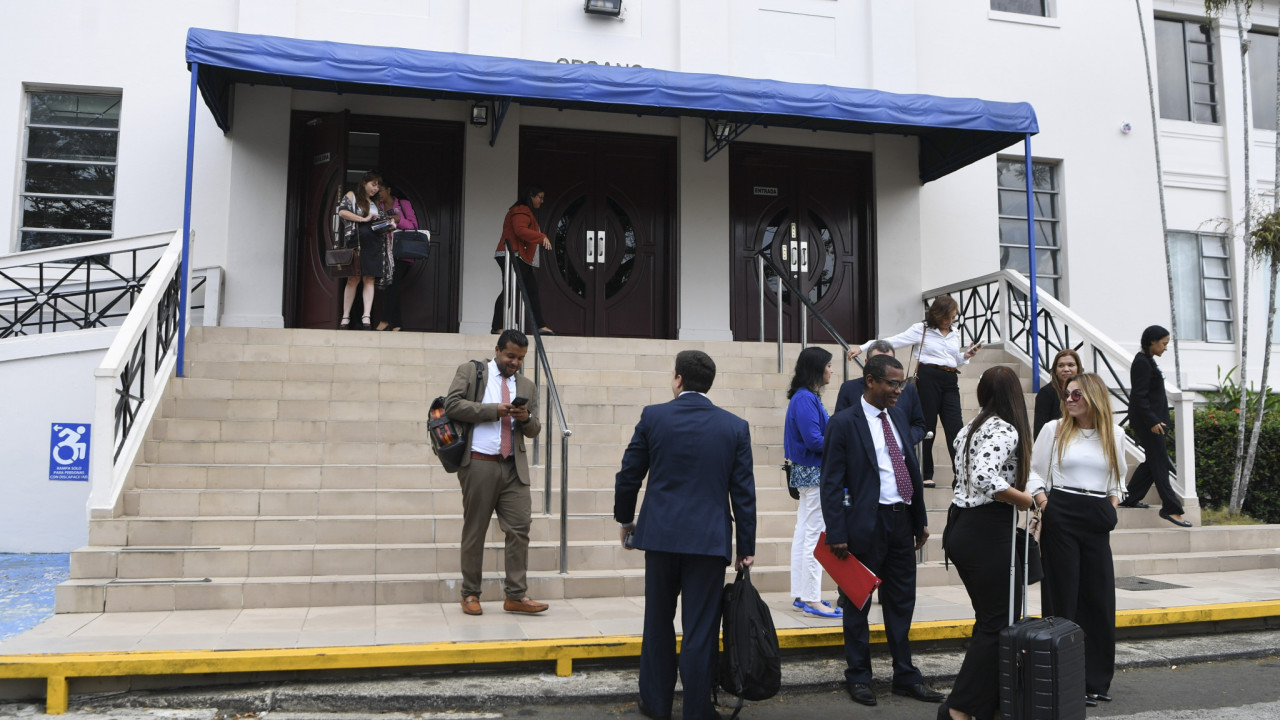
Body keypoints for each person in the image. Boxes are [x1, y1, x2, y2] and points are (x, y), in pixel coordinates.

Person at [614, 349, 756, 720]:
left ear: (678, 379)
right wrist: (746, 547)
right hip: (708, 542)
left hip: (661, 538)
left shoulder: (654, 416)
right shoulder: (734, 426)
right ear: (709, 383)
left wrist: (626, 520)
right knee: (701, 628)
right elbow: (743, 493)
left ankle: (656, 703)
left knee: (658, 623)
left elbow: (628, 475)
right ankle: (697, 709)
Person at [820, 354, 943, 707]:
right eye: (891, 383)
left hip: (901, 522)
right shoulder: (844, 423)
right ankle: (859, 677)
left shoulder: (899, 416)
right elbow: (831, 482)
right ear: (870, 381)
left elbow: (910, 469)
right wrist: (837, 531)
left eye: (900, 384)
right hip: (864, 526)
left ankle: (905, 675)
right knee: (857, 602)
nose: (898, 391)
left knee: (902, 601)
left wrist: (919, 518)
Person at [939, 366, 1036, 720]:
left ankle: (987, 705)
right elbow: (983, 475)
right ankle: (959, 709)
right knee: (998, 623)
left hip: (964, 527)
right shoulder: (1005, 429)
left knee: (993, 621)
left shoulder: (971, 427)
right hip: (986, 530)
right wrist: (1024, 500)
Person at [1029, 372, 1127, 707]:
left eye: (1077, 395)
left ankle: (1095, 680)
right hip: (1062, 510)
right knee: (1063, 597)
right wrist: (1045, 503)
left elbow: (1118, 478)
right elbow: (1033, 471)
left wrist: (1111, 506)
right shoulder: (1054, 429)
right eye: (1067, 394)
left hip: (1097, 512)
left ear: (1094, 398)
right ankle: (1063, 680)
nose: (1069, 400)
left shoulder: (1114, 433)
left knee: (1098, 599)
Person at [444, 329, 549, 616]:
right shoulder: (472, 372)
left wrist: (526, 418)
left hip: (514, 467)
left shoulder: (527, 385)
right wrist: (493, 410)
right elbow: (452, 405)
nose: (515, 363)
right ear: (497, 350)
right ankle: (470, 593)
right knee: (475, 530)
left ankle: (515, 595)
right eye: (510, 356)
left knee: (520, 528)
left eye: (521, 358)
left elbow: (534, 429)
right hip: (479, 463)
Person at [864, 295, 981, 488]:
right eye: (947, 317)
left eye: (953, 317)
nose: (950, 321)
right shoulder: (922, 329)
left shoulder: (955, 332)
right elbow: (894, 341)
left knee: (956, 427)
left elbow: (954, 360)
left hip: (950, 379)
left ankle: (960, 474)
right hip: (928, 377)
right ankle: (926, 473)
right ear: (937, 314)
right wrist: (863, 347)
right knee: (928, 425)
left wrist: (966, 355)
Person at [784, 346, 841, 619]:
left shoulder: (806, 397)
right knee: (814, 535)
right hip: (814, 474)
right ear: (817, 368)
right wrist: (842, 444)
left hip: (808, 473)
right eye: (828, 365)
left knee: (804, 532)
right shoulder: (805, 399)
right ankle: (811, 598)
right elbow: (814, 440)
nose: (831, 370)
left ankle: (802, 594)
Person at [1119, 325, 1190, 527]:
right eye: (1164, 343)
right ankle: (1171, 508)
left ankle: (1130, 497)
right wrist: (1152, 421)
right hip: (1149, 424)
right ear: (1152, 341)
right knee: (1160, 464)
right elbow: (1139, 397)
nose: (1165, 348)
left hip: (1154, 422)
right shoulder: (1141, 362)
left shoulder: (1147, 360)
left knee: (1153, 462)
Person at [834, 340, 928, 447]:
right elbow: (841, 427)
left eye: (889, 362)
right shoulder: (849, 389)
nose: (897, 391)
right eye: (878, 363)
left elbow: (919, 425)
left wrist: (902, 440)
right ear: (866, 363)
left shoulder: (908, 390)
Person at [492, 185, 554, 336]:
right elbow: (520, 230)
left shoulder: (525, 211)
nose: (542, 201)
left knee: (531, 290)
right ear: (531, 196)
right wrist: (542, 237)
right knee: (510, 291)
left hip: (520, 257)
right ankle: (497, 327)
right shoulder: (521, 210)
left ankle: (540, 325)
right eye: (540, 197)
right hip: (513, 255)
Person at [335, 171, 394, 330]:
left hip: (374, 244)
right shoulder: (352, 195)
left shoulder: (376, 203)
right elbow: (342, 212)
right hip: (357, 243)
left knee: (369, 279)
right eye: (373, 185)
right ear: (364, 183)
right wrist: (363, 219)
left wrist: (388, 225)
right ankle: (345, 317)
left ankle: (366, 316)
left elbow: (378, 225)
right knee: (353, 278)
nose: (375, 189)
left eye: (378, 186)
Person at [375, 185, 419, 332]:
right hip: (385, 253)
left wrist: (399, 220)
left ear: (388, 190)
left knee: (392, 285)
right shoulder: (377, 206)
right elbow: (374, 227)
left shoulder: (403, 204)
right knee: (391, 287)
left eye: (381, 190)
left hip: (402, 252)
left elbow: (414, 226)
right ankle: (397, 325)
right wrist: (384, 225)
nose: (378, 193)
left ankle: (385, 320)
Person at [1034, 348, 1081, 439]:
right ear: (1055, 370)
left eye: (1071, 365)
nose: (1066, 369)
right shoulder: (1046, 392)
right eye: (1061, 365)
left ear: (1078, 368)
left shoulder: (1086, 391)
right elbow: (1040, 431)